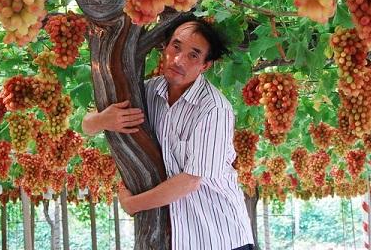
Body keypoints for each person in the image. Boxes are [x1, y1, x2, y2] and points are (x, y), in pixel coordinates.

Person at [82, 16, 255, 250]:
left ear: (205, 65)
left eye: (193, 55)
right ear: (165, 48)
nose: (178, 59)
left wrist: (133, 205)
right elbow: (86, 125)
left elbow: (190, 181)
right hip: (181, 241)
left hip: (221, 239)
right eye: (176, 46)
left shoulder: (214, 109)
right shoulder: (150, 92)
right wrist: (103, 119)